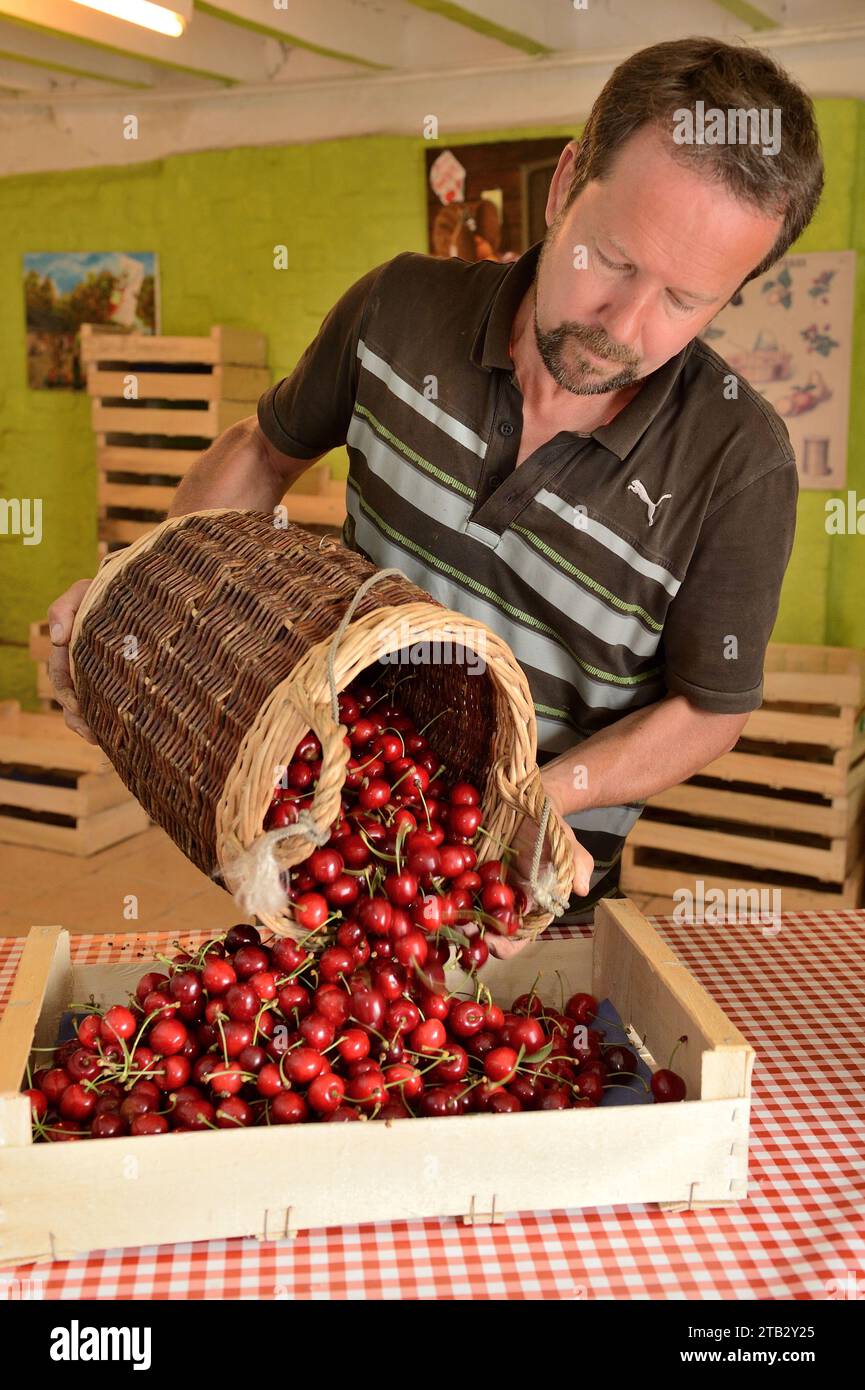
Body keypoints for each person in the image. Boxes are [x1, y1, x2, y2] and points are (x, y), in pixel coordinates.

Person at [48, 37, 823, 954]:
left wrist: (536, 798)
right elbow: (262, 450)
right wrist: (141, 600)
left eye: (684, 301)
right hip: (322, 819)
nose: (624, 326)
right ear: (566, 181)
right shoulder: (399, 309)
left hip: (522, 900)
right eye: (610, 258)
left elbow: (710, 709)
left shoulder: (741, 463)